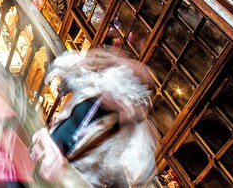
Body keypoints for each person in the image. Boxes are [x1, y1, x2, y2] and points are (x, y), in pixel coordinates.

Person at [30, 49, 157, 186]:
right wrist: (110, 60)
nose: (107, 98)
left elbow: (134, 173)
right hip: (42, 160)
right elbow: (61, 64)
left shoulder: (126, 136)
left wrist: (127, 125)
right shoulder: (89, 89)